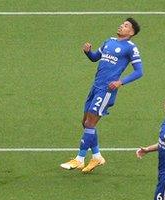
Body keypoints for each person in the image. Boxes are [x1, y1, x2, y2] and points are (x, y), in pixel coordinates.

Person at [61, 18, 143, 173]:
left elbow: (139, 71)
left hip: (106, 90)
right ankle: (97, 156)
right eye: (122, 23)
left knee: (90, 123)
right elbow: (94, 58)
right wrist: (88, 52)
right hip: (95, 87)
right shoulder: (109, 41)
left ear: (131, 32)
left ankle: (79, 159)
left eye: (126, 25)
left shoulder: (131, 48)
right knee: (86, 122)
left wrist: (121, 82)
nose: (121, 25)